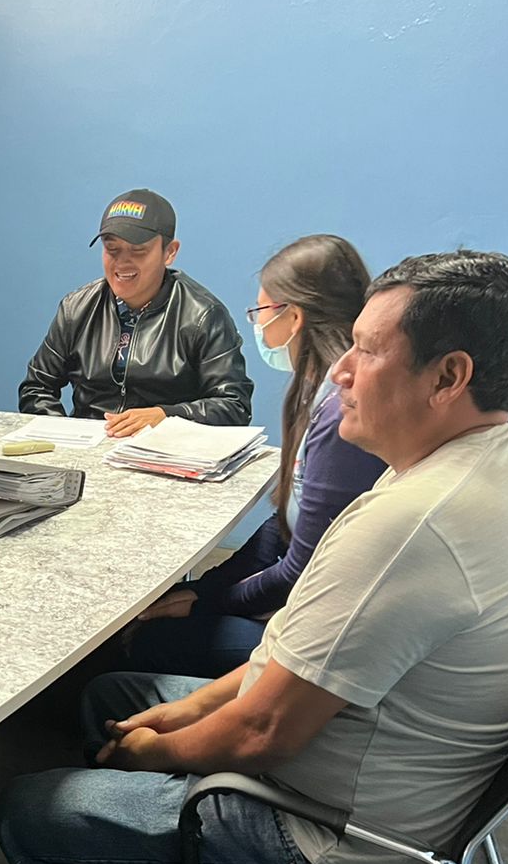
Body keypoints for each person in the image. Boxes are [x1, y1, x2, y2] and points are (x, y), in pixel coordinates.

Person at [0, 250, 508, 864]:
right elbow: (291, 663)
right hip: (361, 775)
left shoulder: (416, 526)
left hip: (329, 849)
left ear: (448, 377)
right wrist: (181, 713)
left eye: (368, 350)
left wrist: (154, 754)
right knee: (112, 698)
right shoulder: (487, 461)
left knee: (32, 815)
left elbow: (263, 731)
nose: (342, 371)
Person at [127, 235, 386, 677]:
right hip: (299, 599)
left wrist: (207, 602)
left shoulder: (341, 415)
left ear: (294, 317)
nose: (258, 323)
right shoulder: (318, 389)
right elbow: (285, 528)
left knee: (153, 639)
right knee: (172, 608)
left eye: (260, 310)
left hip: (320, 634)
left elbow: (299, 568)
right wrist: (207, 589)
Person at [18, 189, 254, 436]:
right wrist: (65, 438)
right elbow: (37, 388)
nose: (122, 262)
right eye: (112, 249)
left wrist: (167, 416)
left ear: (170, 252)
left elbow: (234, 406)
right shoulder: (76, 308)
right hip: (88, 447)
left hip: (166, 450)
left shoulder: (204, 316)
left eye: (138, 250)